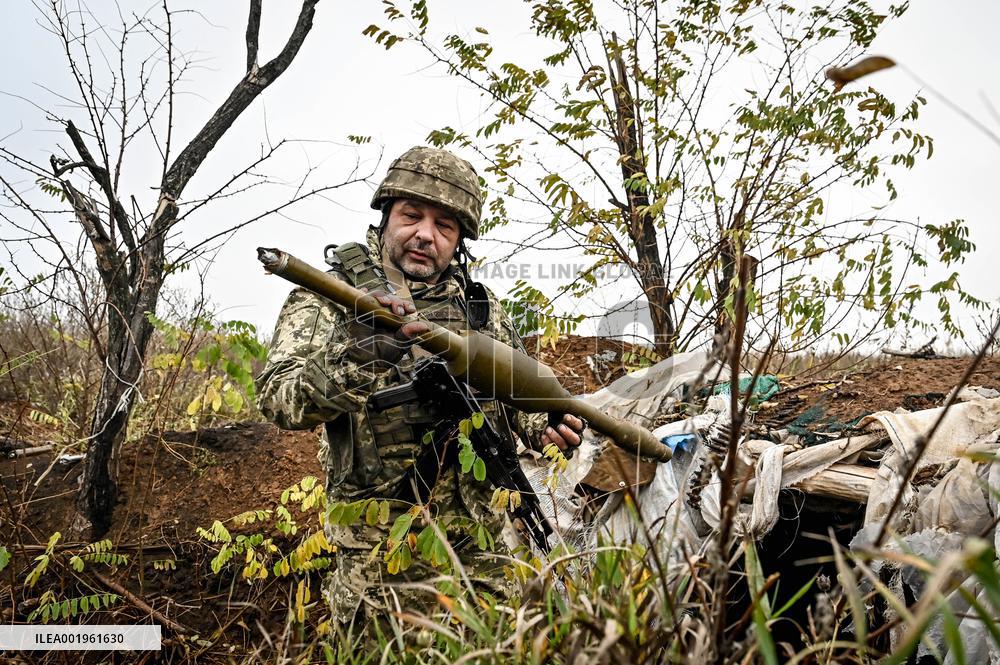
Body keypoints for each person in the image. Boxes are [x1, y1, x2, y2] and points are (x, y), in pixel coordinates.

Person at [255, 146, 584, 631]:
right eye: (412, 216)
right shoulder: (329, 296)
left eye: (445, 226)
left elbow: (516, 397)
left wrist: (544, 425)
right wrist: (358, 357)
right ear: (387, 216)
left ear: (458, 241)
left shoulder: (480, 307)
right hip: (381, 565)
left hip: (484, 558)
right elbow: (279, 401)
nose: (425, 235)